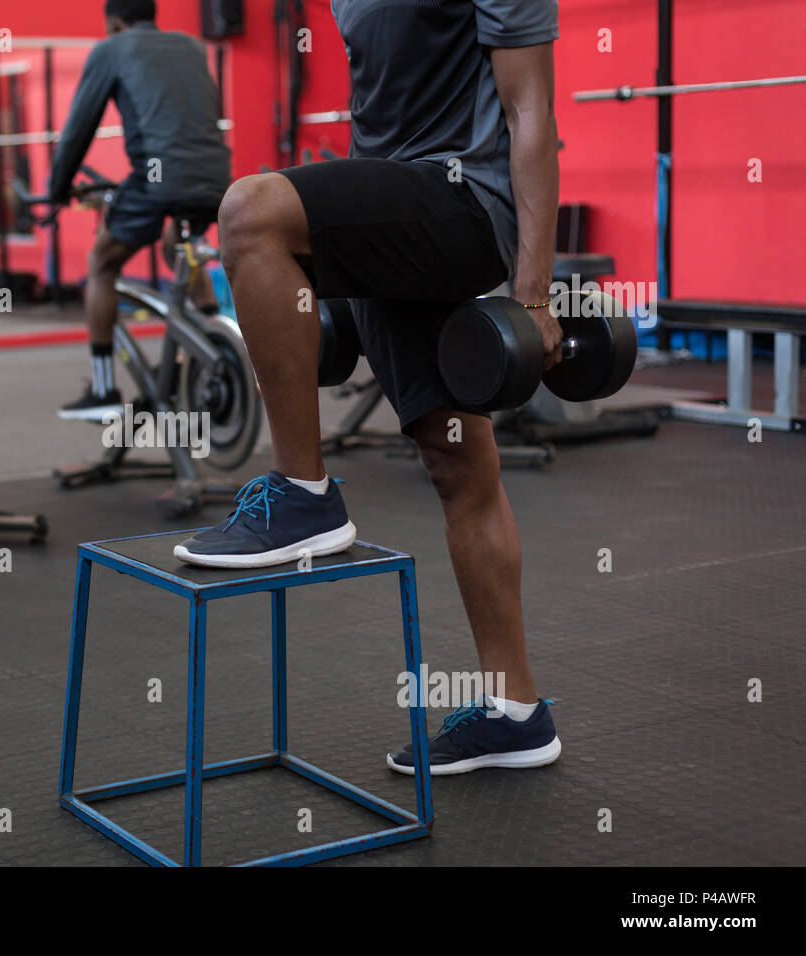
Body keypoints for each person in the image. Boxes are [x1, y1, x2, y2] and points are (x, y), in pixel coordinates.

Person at [176, 0, 564, 776]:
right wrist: (341, 281)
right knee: (456, 459)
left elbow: (531, 112)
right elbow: (379, 118)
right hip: (398, 206)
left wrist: (534, 296)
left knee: (250, 211)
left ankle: (303, 493)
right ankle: (516, 712)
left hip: (465, 206)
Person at [48, 0, 231, 421]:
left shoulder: (112, 49)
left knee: (101, 263)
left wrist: (58, 189)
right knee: (178, 246)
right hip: (215, 177)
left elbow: (78, 130)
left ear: (114, 20)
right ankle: (215, 345)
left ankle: (103, 388)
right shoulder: (190, 46)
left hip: (157, 177)